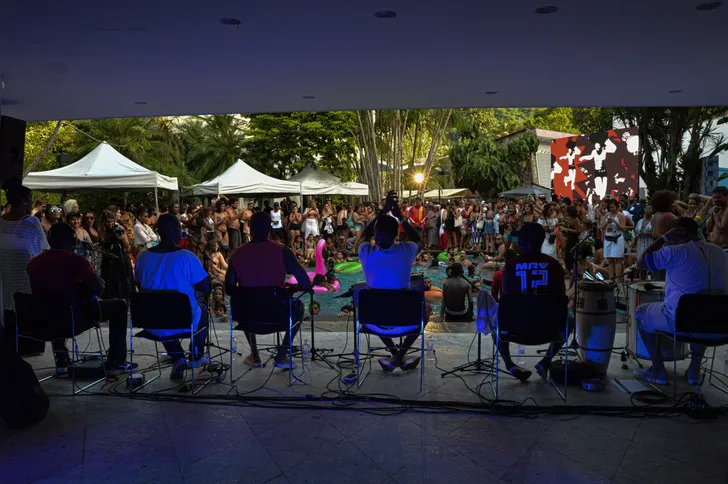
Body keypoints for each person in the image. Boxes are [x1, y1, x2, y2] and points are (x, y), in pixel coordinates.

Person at [26, 223, 136, 374]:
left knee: (54, 306)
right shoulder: (77, 261)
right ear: (73, 242)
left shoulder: (33, 263)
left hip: (43, 322)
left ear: (49, 240)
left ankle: (62, 359)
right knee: (119, 306)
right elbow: (100, 290)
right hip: (74, 320)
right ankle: (116, 362)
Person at [634, 217, 728, 385]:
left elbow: (641, 262)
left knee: (641, 312)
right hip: (720, 326)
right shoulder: (719, 252)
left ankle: (657, 370)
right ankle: (694, 371)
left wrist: (663, 238)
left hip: (682, 324)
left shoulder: (675, 251)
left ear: (677, 233)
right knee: (705, 311)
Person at [225, 211, 312, 368]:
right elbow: (306, 283)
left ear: (250, 229)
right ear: (269, 229)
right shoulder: (283, 251)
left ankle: (255, 355)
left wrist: (249, 291)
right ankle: (282, 354)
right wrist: (292, 289)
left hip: (248, 318)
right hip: (277, 314)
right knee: (298, 306)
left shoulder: (236, 254)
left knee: (242, 301)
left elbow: (229, 289)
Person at [135, 214, 211, 379]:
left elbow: (141, 286)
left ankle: (177, 358)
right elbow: (206, 287)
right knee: (202, 309)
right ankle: (196, 355)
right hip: (182, 321)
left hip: (151, 321)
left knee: (162, 311)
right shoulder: (187, 257)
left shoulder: (142, 257)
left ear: (158, 232)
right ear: (178, 231)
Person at [359, 190, 425, 372]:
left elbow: (364, 235)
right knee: (425, 309)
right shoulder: (407, 250)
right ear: (397, 234)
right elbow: (418, 239)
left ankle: (396, 356)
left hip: (373, 322)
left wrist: (382, 212)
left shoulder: (366, 253)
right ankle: (398, 357)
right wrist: (400, 216)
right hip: (406, 320)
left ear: (376, 236)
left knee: (377, 306)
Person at [494, 223, 569, 382]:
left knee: (494, 319)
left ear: (527, 243)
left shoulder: (511, 265)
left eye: (520, 242)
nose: (517, 244)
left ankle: (509, 364)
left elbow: (507, 297)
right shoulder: (555, 266)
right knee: (571, 320)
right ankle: (546, 361)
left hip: (515, 329)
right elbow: (561, 297)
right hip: (549, 329)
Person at [0, 180, 50, 353]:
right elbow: (43, 250)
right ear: (23, 201)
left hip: (5, 279)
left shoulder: (1, 222)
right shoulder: (30, 222)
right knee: (25, 313)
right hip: (26, 277)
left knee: (10, 313)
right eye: (30, 199)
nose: (31, 202)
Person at [98, 209, 134, 300]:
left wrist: (121, 237)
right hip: (108, 258)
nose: (110, 224)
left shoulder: (119, 228)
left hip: (120, 257)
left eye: (111, 221)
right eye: (107, 222)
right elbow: (102, 244)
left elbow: (127, 246)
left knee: (124, 283)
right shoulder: (101, 230)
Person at [600, 199, 627, 278]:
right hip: (608, 239)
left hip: (618, 239)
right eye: (610, 207)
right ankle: (611, 278)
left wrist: (615, 222)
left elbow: (623, 228)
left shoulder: (621, 215)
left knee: (617, 260)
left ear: (617, 207)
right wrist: (607, 222)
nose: (611, 209)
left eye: (613, 207)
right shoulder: (607, 215)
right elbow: (601, 227)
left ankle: (618, 279)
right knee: (609, 260)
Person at [707, 186, 728, 253]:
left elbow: (722, 227)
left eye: (719, 197)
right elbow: (709, 229)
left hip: (725, 249)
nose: (716, 200)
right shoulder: (718, 210)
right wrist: (713, 214)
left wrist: (715, 214)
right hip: (715, 249)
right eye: (714, 198)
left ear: (726, 196)